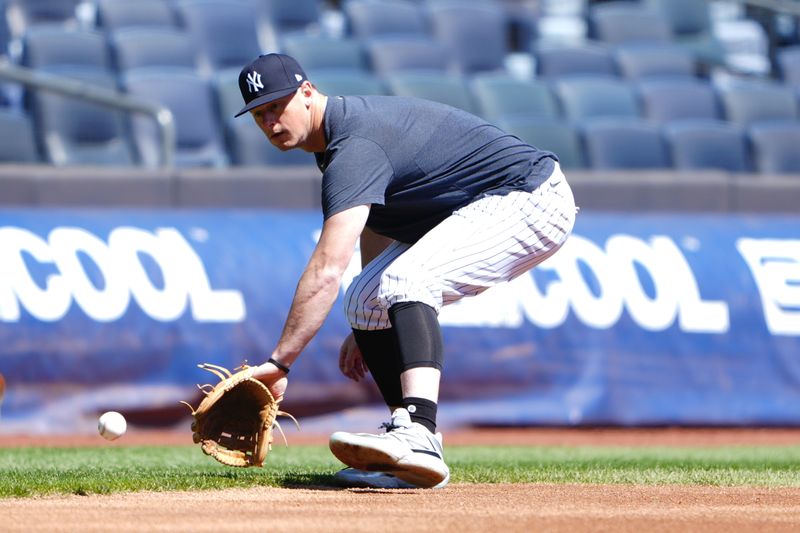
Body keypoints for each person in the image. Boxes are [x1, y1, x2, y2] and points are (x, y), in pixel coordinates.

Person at [240, 53, 577, 489]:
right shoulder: (336, 143)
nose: (270, 121)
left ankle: (420, 432)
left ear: (307, 93)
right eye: (259, 113)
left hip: (530, 195)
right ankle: (412, 455)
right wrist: (376, 320)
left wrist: (278, 364)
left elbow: (326, 267)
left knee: (409, 279)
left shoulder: (354, 145)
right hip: (483, 204)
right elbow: (374, 228)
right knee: (363, 301)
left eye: (276, 105)